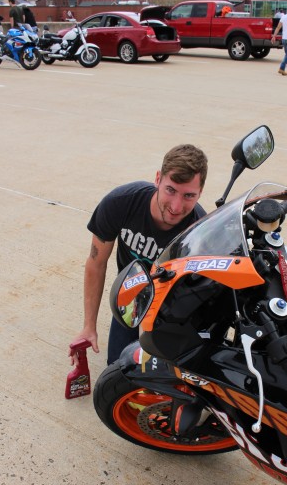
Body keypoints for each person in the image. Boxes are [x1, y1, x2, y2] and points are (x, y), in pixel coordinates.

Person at [68, 143, 208, 367]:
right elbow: (96, 263)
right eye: (170, 190)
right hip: (132, 296)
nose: (176, 206)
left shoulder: (199, 233)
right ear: (158, 179)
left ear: (200, 193)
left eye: (189, 195)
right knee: (118, 368)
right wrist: (88, 326)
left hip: (171, 308)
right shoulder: (120, 203)